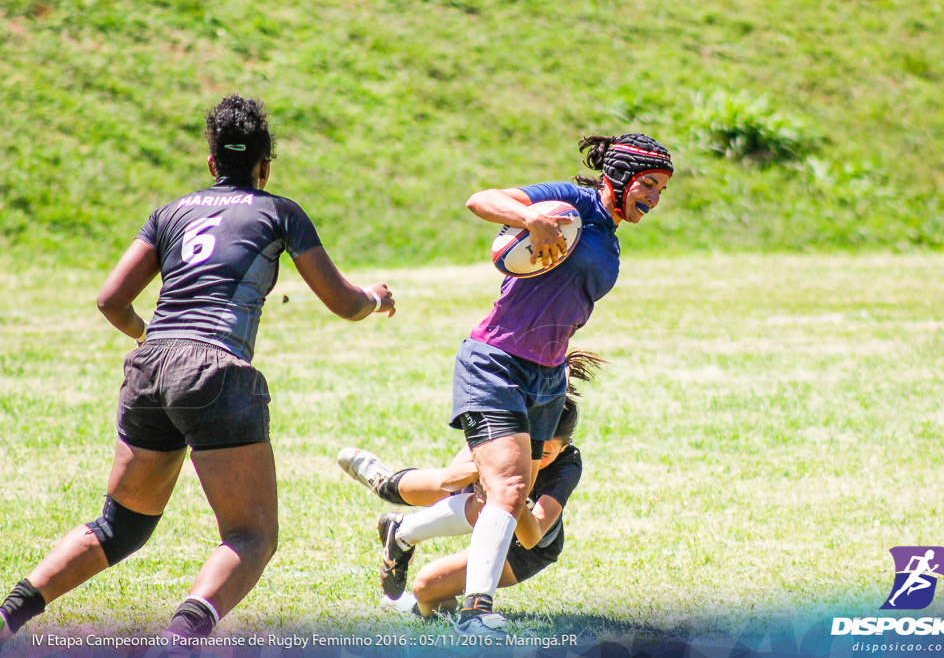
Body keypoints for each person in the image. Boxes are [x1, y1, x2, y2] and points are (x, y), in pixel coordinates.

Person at [0, 94, 396, 647]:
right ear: (265, 166)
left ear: (212, 163)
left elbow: (111, 300)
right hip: (216, 371)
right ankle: (178, 641)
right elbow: (344, 303)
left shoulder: (169, 213)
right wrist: (376, 299)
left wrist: (154, 340)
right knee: (250, 535)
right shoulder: (279, 211)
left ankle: (8, 616)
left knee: (120, 526)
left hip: (150, 366)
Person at [435, 133, 672, 636]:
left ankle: (404, 534)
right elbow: (482, 200)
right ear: (621, 176)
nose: (653, 198)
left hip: (546, 377)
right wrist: (531, 219)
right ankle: (477, 611)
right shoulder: (575, 202)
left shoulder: (608, 237)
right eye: (648, 184)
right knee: (509, 485)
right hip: (495, 361)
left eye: (661, 190)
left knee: (506, 491)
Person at [337, 351, 602, 620]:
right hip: (478, 499)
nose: (534, 457)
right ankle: (388, 491)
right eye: (531, 445)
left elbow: (532, 537)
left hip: (523, 550)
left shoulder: (569, 464)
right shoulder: (507, 429)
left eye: (544, 454)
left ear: (565, 445)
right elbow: (449, 479)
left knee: (425, 588)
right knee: (451, 489)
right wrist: (492, 468)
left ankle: (416, 605)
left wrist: (509, 489)